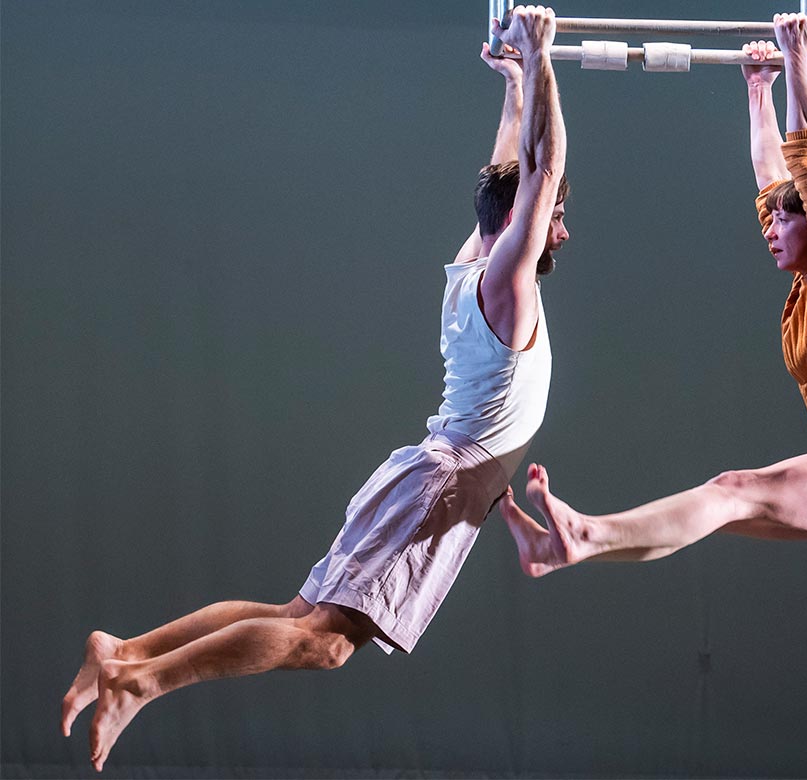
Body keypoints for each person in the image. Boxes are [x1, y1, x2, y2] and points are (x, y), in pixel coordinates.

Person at [61, 6, 568, 771]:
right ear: (522, 221)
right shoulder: (506, 283)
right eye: (554, 218)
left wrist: (516, 86)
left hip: (429, 478)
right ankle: (140, 682)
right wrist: (541, 56)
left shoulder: (474, 260)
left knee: (294, 616)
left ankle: (125, 651)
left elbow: (507, 172)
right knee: (323, 643)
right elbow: (539, 168)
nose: (560, 228)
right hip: (439, 485)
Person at [500, 13, 807, 577]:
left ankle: (584, 534)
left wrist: (797, 58)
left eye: (784, 221)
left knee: (732, 491)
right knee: (717, 508)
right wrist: (760, 87)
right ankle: (578, 545)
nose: (769, 229)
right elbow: (773, 174)